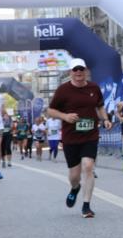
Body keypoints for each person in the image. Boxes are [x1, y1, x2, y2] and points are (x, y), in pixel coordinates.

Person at [47, 58, 112, 218]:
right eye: (75, 69)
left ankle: (86, 205)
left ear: (86, 71)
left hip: (90, 135)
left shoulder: (94, 88)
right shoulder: (63, 90)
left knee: (88, 166)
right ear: (70, 72)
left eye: (81, 69)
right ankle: (75, 188)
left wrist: (105, 119)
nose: (78, 72)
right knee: (74, 175)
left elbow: (100, 106)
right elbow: (50, 111)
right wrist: (65, 116)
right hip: (71, 137)